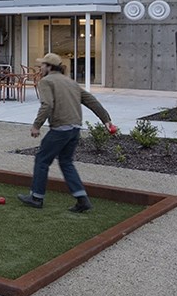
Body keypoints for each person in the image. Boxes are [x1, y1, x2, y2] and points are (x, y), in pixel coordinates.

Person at [18, 53, 115, 213]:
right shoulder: (71, 82)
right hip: (75, 129)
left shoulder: (46, 81)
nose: (40, 67)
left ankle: (36, 197)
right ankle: (82, 199)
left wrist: (36, 125)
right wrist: (106, 120)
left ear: (49, 67)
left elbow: (47, 105)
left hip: (60, 129)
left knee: (42, 160)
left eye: (42, 65)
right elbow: (91, 101)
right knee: (66, 162)